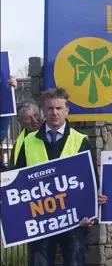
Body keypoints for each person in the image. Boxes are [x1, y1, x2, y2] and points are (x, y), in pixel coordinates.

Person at [14, 87, 99, 266]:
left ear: (67, 111)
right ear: (43, 111)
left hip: (74, 219)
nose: (54, 113)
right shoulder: (28, 141)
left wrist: (90, 211)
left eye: (59, 108)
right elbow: (18, 179)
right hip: (40, 219)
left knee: (75, 260)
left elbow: (92, 181)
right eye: (50, 108)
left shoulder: (80, 140)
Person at [9, 101, 42, 167]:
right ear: (21, 122)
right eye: (28, 118)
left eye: (35, 115)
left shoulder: (53, 132)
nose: (34, 120)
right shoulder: (19, 143)